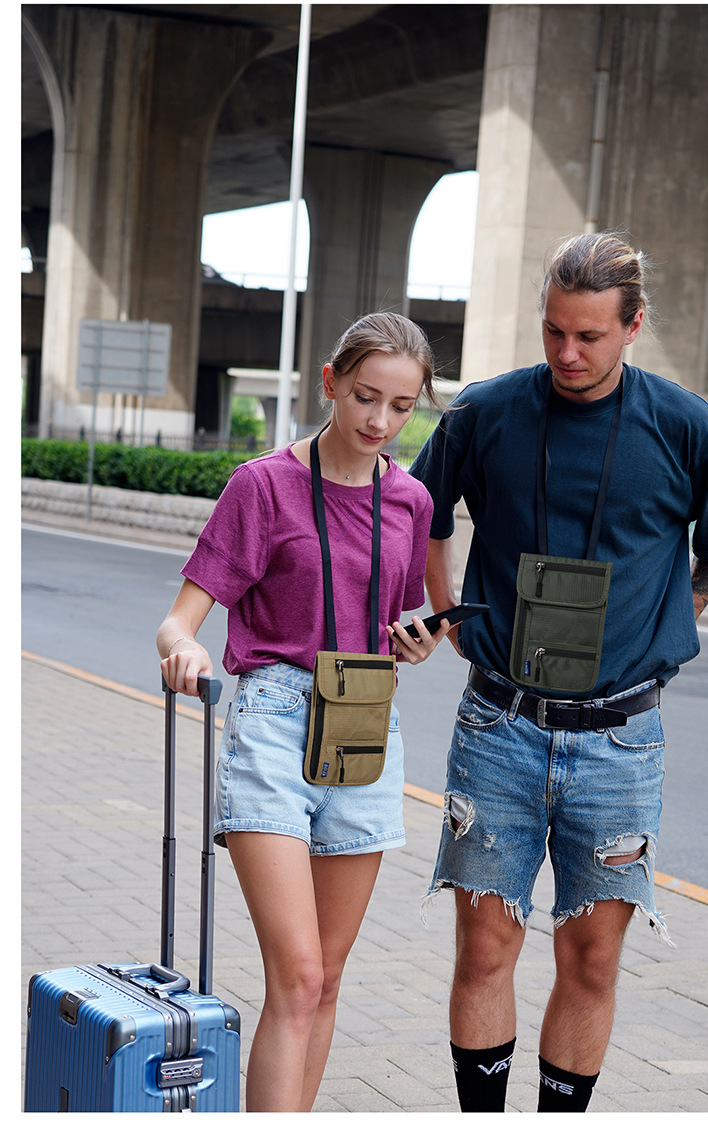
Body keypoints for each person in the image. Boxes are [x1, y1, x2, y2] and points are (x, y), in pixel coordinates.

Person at [409, 232, 708, 1114]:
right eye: (554, 330)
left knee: (592, 959)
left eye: (590, 336)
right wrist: (445, 608)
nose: (567, 352)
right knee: (485, 950)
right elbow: (420, 511)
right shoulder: (484, 412)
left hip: (620, 739)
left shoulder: (684, 425)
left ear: (632, 327)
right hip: (499, 727)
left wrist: (671, 620)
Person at [157, 312, 450, 1112]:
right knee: (299, 973)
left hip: (365, 726)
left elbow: (388, 621)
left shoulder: (412, 501)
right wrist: (186, 652)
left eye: (401, 407)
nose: (380, 421)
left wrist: (414, 644)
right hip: (274, 723)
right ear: (330, 382)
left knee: (328, 978)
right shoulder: (261, 486)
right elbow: (178, 620)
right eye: (365, 397)